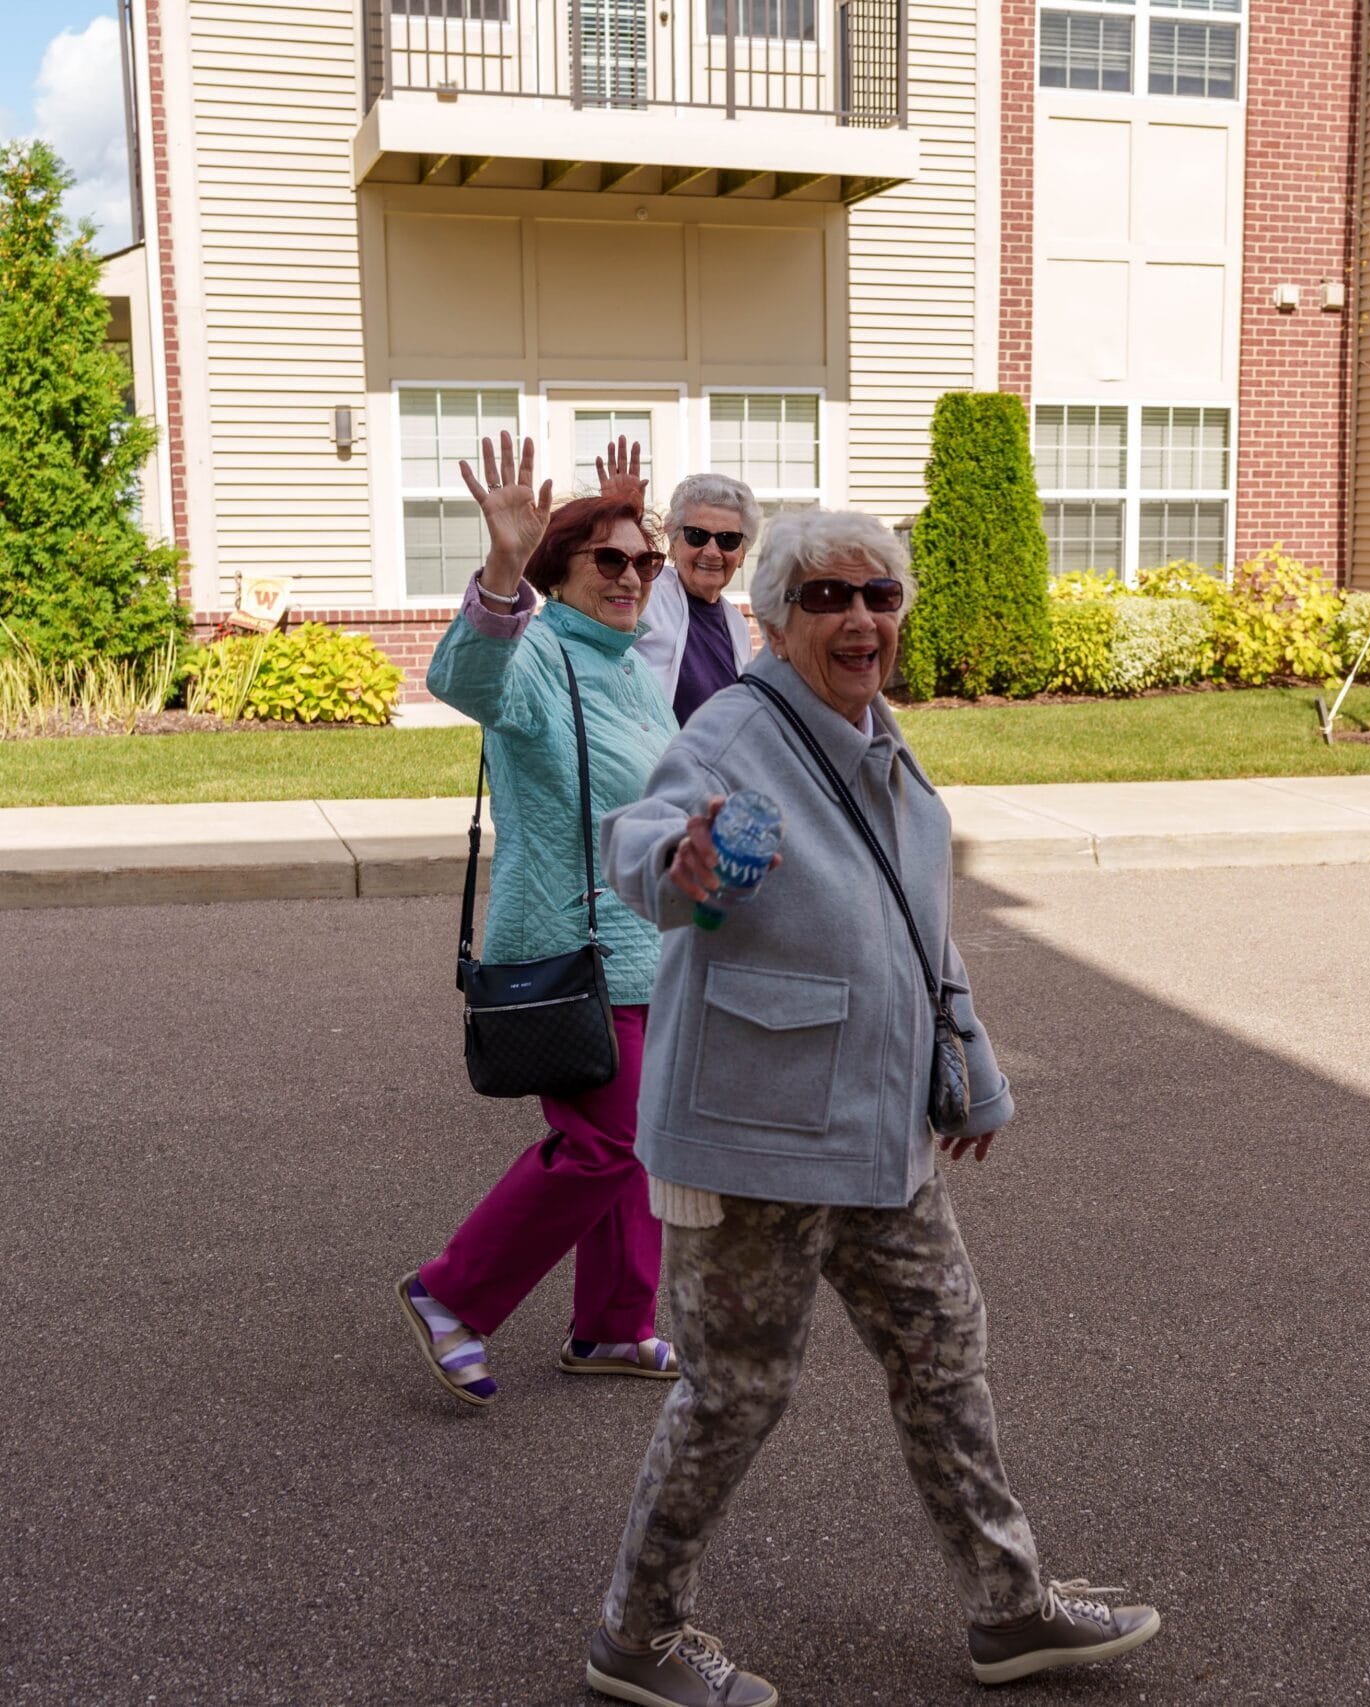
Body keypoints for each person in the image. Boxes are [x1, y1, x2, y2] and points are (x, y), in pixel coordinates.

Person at [584, 508, 1161, 1705]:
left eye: (878, 598)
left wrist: (973, 1068)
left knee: (945, 1359)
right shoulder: (734, 729)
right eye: (828, 598)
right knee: (735, 1394)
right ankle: (634, 1639)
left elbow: (918, 931)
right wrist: (674, 865)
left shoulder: (880, 742)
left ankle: (1009, 1611)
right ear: (779, 618)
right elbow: (644, 830)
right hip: (750, 1142)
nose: (859, 620)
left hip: (877, 1139)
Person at [393, 431, 681, 1407]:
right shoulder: (538, 651)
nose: (634, 575)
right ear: (561, 571)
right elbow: (462, 681)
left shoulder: (630, 662)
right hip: (566, 942)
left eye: (647, 560)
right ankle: (450, 1294)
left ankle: (613, 1326)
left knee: (638, 1146)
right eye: (610, 559)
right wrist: (503, 566)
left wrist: (623, 516)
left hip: (649, 943)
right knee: (612, 1144)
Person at [632, 467, 758, 724]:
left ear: (743, 553)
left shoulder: (737, 625)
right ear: (673, 542)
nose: (712, 552)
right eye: (697, 536)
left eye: (728, 539)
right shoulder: (646, 591)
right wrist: (617, 521)